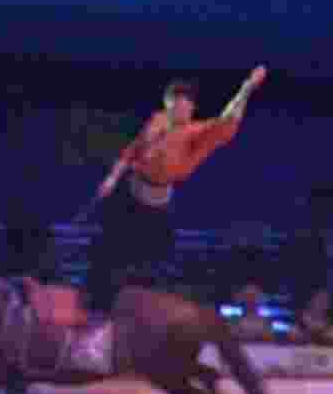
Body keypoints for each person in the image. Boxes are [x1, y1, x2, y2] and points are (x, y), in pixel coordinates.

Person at [88, 66, 267, 308]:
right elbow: (132, 150)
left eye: (185, 106)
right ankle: (98, 305)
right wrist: (111, 178)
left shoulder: (197, 133)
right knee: (109, 256)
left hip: (157, 209)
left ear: (192, 108)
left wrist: (246, 89)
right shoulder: (156, 121)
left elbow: (228, 120)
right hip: (128, 196)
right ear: (167, 105)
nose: (179, 111)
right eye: (174, 106)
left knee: (150, 267)